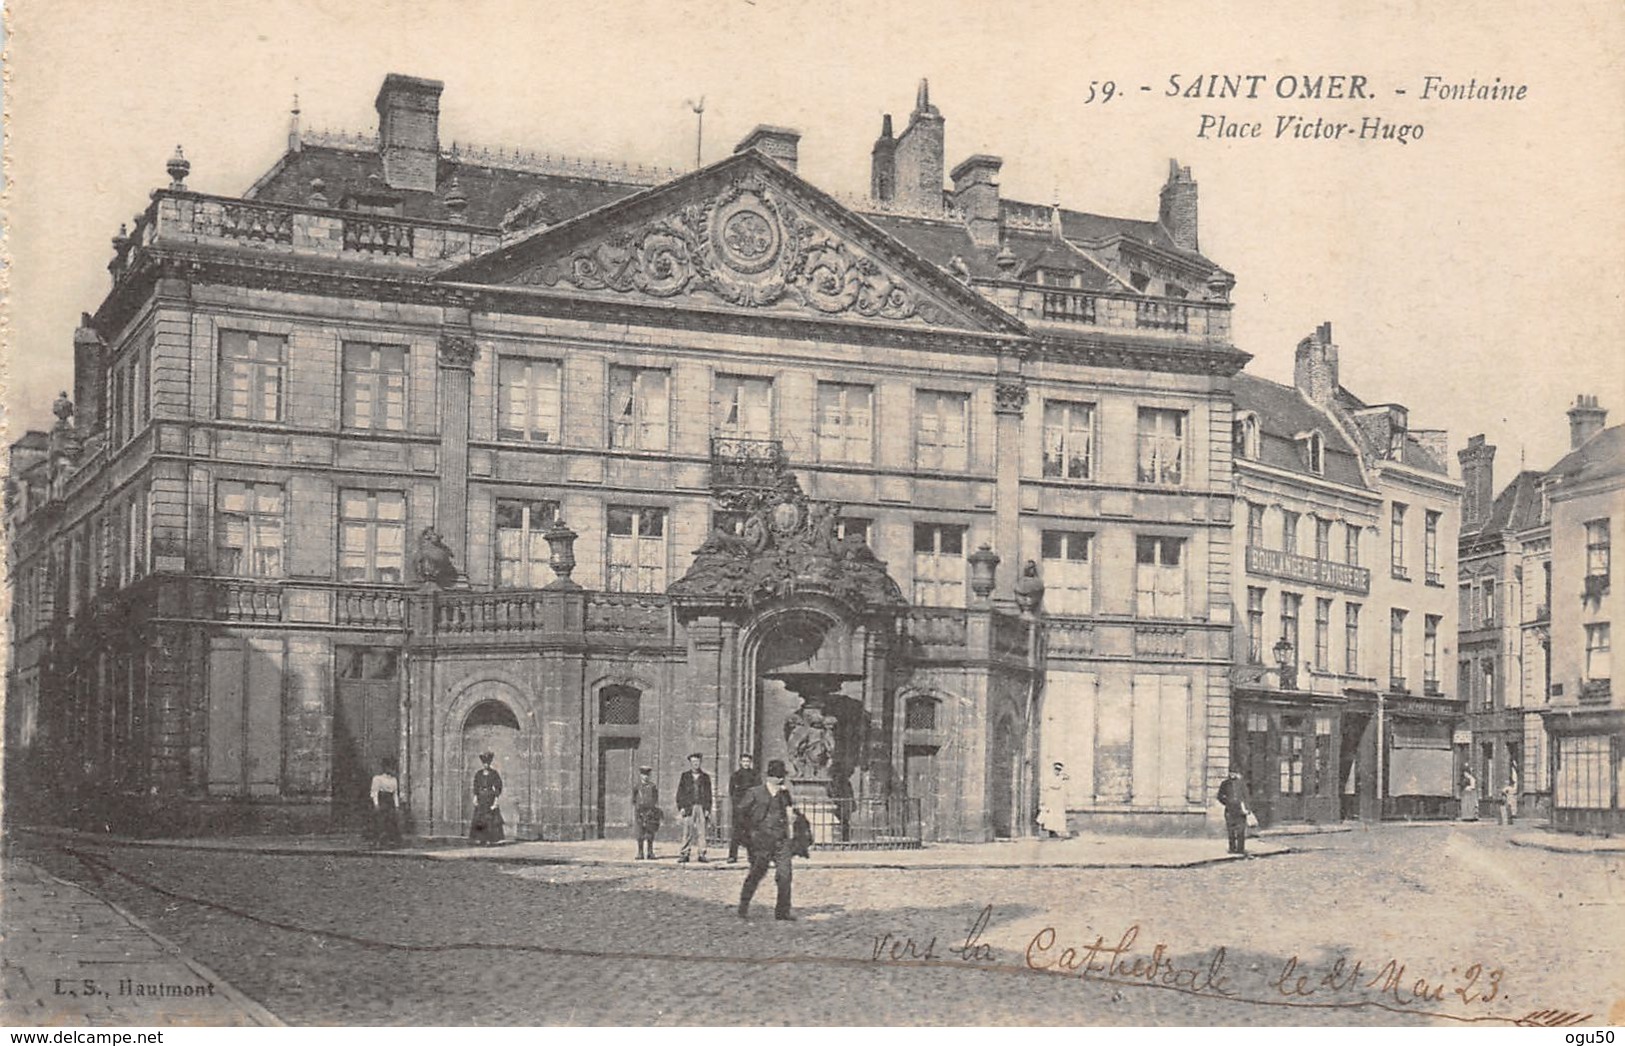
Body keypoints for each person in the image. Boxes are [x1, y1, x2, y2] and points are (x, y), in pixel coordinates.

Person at [736, 759, 798, 921]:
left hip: (781, 841)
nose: (781, 780)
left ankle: (782, 911)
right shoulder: (755, 793)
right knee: (756, 874)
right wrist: (749, 836)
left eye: (782, 777)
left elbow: (790, 812)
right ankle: (743, 906)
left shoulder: (784, 794)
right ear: (771, 778)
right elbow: (741, 813)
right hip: (761, 842)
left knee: (785, 875)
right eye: (779, 777)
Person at [676, 752, 713, 863]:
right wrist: (681, 807)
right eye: (693, 762)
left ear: (700, 762)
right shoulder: (685, 776)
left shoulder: (705, 777)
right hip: (689, 806)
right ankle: (685, 853)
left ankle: (702, 854)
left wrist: (708, 809)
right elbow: (680, 793)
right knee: (687, 831)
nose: (695, 764)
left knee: (702, 832)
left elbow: (709, 794)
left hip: (701, 806)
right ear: (690, 763)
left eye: (697, 762)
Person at [727, 754, 761, 863]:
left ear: (750, 763)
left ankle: (752, 856)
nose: (746, 763)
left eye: (747, 761)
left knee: (751, 833)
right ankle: (732, 856)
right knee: (736, 833)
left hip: (751, 809)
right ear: (740, 762)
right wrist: (737, 806)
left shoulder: (755, 775)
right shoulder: (735, 775)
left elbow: (758, 791)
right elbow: (732, 792)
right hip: (739, 809)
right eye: (744, 761)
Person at [469, 751, 505, 846]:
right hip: (481, 798)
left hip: (490, 798)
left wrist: (496, 800)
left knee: (489, 819)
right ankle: (481, 839)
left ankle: (490, 839)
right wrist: (475, 797)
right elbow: (476, 785)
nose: (486, 765)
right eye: (484, 763)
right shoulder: (479, 774)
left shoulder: (494, 774)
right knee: (479, 819)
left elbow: (498, 786)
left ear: (490, 763)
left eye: (487, 763)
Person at [369, 757, 403, 848]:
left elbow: (395, 793)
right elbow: (374, 792)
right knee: (380, 821)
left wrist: (397, 806)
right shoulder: (377, 779)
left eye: (392, 767)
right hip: (382, 800)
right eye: (389, 767)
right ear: (385, 768)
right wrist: (376, 804)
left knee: (391, 821)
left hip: (390, 802)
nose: (391, 769)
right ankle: (377, 841)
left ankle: (390, 842)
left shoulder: (394, 780)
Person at [1216, 769, 1249, 855]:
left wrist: (1247, 809)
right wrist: (1227, 802)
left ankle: (1240, 849)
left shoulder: (1241, 784)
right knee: (1231, 831)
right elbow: (1219, 796)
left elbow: (1246, 797)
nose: (1232, 775)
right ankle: (1232, 848)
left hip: (1240, 810)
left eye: (1234, 773)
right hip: (1230, 810)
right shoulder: (1225, 784)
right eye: (1231, 773)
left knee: (1241, 831)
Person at [633, 765, 662, 860]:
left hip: (650, 812)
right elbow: (634, 799)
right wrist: (638, 809)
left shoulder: (652, 786)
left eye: (647, 775)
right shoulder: (637, 786)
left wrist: (652, 809)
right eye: (643, 774)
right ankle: (640, 852)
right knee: (640, 832)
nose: (645, 777)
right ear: (640, 775)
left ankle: (650, 852)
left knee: (650, 832)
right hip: (639, 812)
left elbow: (655, 798)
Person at [1038, 761, 1070, 838]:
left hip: (1058, 799)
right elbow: (1053, 786)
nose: (1057, 771)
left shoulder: (1060, 777)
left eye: (1059, 770)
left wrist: (1063, 776)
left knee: (1057, 814)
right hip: (1051, 798)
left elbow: (1067, 779)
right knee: (1049, 814)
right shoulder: (1050, 777)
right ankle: (1050, 831)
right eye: (1056, 769)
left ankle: (1056, 830)